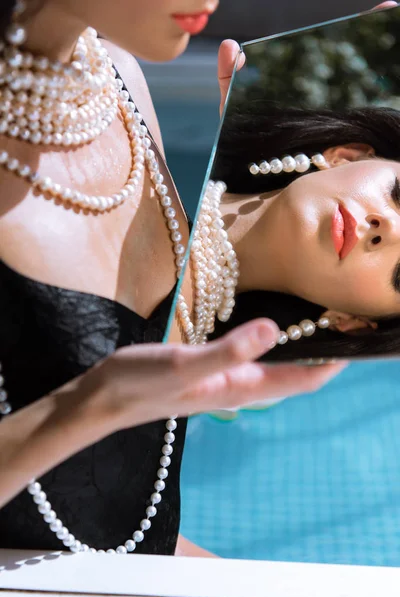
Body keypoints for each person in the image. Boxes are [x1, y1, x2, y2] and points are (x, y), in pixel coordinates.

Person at [0, 0, 346, 557]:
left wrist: (251, 196)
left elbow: (128, 475)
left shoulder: (119, 81)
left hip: (139, 572)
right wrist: (100, 402)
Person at [209, 91, 400, 361]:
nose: (390, 228)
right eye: (397, 195)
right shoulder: (140, 131)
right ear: (348, 156)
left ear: (352, 321)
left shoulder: (163, 369)